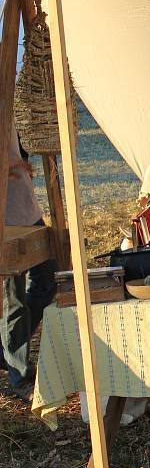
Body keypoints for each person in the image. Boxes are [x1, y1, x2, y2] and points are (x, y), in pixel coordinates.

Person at [1, 127, 58, 402]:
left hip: (23, 204)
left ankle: (7, 349)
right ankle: (18, 376)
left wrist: (19, 160)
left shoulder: (7, 98)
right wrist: (7, 164)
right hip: (4, 216)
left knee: (48, 279)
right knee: (13, 300)